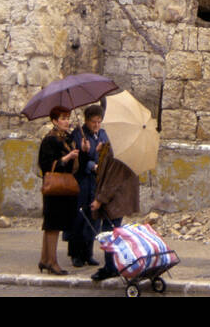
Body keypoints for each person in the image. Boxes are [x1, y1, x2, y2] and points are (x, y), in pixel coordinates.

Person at [88, 142, 142, 282]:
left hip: (116, 199)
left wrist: (99, 200)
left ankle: (111, 267)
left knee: (109, 233)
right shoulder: (126, 147)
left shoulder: (119, 149)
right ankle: (113, 265)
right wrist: (102, 152)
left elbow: (112, 179)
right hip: (121, 197)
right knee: (113, 231)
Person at [37, 106, 79, 276]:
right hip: (54, 187)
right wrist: (66, 158)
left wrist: (80, 149)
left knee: (52, 226)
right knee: (52, 225)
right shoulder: (50, 139)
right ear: (54, 121)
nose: (66, 121)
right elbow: (45, 164)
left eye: (68, 118)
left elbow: (74, 165)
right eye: (62, 118)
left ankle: (44, 259)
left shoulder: (68, 139)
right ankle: (52, 262)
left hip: (64, 187)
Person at [70, 104, 111, 268]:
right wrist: (89, 152)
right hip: (82, 181)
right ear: (87, 121)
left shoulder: (102, 134)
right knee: (79, 216)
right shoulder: (78, 135)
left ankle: (88, 252)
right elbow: (80, 160)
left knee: (93, 218)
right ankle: (75, 253)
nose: (96, 125)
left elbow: (106, 153)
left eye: (99, 122)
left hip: (96, 182)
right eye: (93, 122)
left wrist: (101, 152)